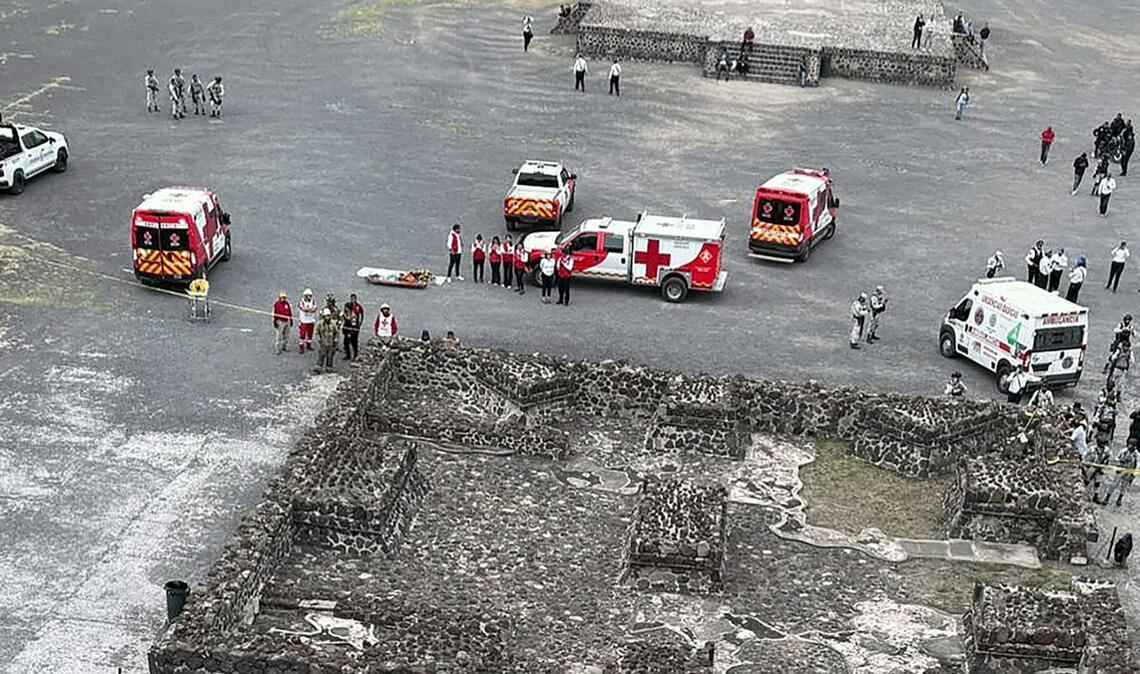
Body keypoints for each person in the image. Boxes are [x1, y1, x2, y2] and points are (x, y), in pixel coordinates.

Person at [314, 309, 339, 373]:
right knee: (321, 355)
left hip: (331, 344)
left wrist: (336, 340)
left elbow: (337, 332)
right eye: (326, 316)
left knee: (330, 356)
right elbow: (316, 332)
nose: (327, 317)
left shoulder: (333, 324)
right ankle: (319, 367)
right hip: (323, 343)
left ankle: (329, 368)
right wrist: (318, 339)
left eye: (328, 316)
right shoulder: (320, 324)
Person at [342, 294, 363, 360]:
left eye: (354, 299)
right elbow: (344, 314)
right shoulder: (347, 305)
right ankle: (348, 355)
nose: (352, 300)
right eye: (351, 299)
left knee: (354, 341)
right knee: (346, 342)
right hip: (347, 326)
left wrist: (360, 323)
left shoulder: (358, 306)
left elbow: (362, 314)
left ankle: (355, 354)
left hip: (355, 327)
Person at [297, 289, 318, 354]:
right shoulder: (301, 302)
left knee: (310, 333)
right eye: (307, 296)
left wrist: (309, 310)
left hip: (311, 320)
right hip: (303, 320)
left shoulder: (313, 301)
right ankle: (301, 347)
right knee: (302, 334)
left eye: (310, 296)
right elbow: (303, 308)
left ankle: (308, 345)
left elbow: (314, 309)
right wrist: (309, 310)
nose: (309, 297)